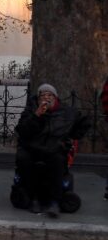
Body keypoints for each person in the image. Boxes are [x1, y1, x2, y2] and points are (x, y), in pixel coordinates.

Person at [15, 83, 90, 218]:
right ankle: (34, 198)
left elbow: (84, 123)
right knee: (25, 159)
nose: (46, 98)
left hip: (54, 148)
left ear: (55, 98)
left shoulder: (66, 112)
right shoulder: (31, 111)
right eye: (42, 95)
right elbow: (22, 131)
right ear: (38, 99)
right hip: (33, 147)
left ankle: (54, 200)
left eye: (49, 95)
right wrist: (37, 116)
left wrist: (72, 137)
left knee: (57, 160)